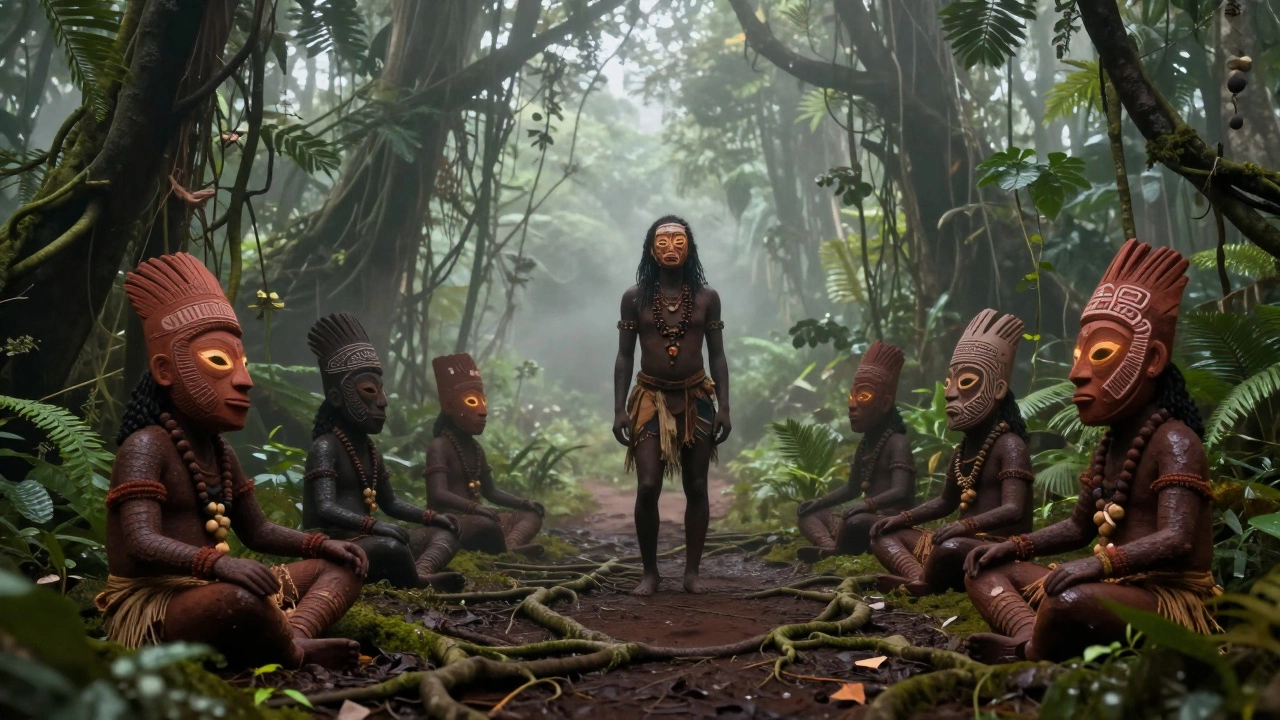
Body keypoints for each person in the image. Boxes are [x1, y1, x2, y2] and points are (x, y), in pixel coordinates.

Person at [97, 253, 367, 669]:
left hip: (208, 583)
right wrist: (219, 563)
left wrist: (322, 544)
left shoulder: (219, 451)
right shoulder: (146, 446)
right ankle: (293, 653)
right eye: (219, 362)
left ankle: (293, 635)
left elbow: (258, 531)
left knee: (342, 567)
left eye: (243, 364)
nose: (244, 380)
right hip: (158, 603)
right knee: (239, 599)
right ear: (165, 371)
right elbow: (141, 541)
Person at [964, 239, 1220, 663]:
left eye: (1101, 353)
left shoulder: (1174, 441)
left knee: (1070, 600)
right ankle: (1031, 636)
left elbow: (1177, 539)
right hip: (1113, 588)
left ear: (1153, 359)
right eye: (1079, 355)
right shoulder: (1112, 443)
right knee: (984, 569)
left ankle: (1031, 648)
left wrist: (1098, 565)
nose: (1077, 373)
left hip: (1164, 601)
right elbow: (1079, 528)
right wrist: (1014, 547)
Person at [868, 310, 1035, 596]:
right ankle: (920, 577)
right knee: (884, 534)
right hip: (961, 543)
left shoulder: (1009, 444)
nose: (950, 393)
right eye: (949, 383)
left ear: (997, 389)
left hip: (995, 548)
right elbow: (946, 501)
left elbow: (1013, 509)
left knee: (951, 546)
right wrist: (902, 519)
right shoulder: (964, 449)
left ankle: (925, 582)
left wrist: (965, 525)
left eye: (966, 382)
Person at [613, 215, 732, 595]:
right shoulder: (634, 298)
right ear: (651, 250)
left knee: (696, 485)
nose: (670, 249)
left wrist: (724, 406)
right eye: (662, 243)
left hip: (697, 398)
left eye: (678, 242)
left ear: (689, 250)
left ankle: (692, 573)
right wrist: (619, 409)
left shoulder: (707, 298)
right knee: (648, 485)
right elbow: (624, 356)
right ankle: (650, 572)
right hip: (649, 398)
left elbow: (717, 355)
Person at [302, 313, 464, 591]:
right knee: (390, 546)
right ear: (337, 398)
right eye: (369, 390)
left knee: (443, 534)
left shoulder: (369, 449)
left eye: (381, 390)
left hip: (367, 540)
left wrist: (432, 517)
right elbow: (325, 508)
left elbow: (391, 503)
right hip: (335, 546)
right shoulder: (326, 446)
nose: (382, 401)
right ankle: (417, 581)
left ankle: (418, 571)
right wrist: (375, 527)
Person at [796, 341, 916, 563]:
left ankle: (836, 548)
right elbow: (852, 488)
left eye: (863, 397)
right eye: (851, 397)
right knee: (809, 514)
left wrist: (865, 505)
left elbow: (901, 491)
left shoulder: (897, 442)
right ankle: (829, 546)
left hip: (887, 521)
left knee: (856, 521)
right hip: (862, 516)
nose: (852, 406)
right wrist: (819, 502)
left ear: (885, 404)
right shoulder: (865, 444)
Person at [424, 353, 546, 556]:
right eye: (472, 401)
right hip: (451, 522)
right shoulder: (439, 446)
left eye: (483, 401)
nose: (483, 411)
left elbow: (491, 492)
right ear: (451, 408)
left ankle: (511, 546)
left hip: (479, 517)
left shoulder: (475, 449)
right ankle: (506, 550)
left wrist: (525, 503)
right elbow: (438, 493)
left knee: (530, 515)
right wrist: (474, 508)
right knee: (484, 523)